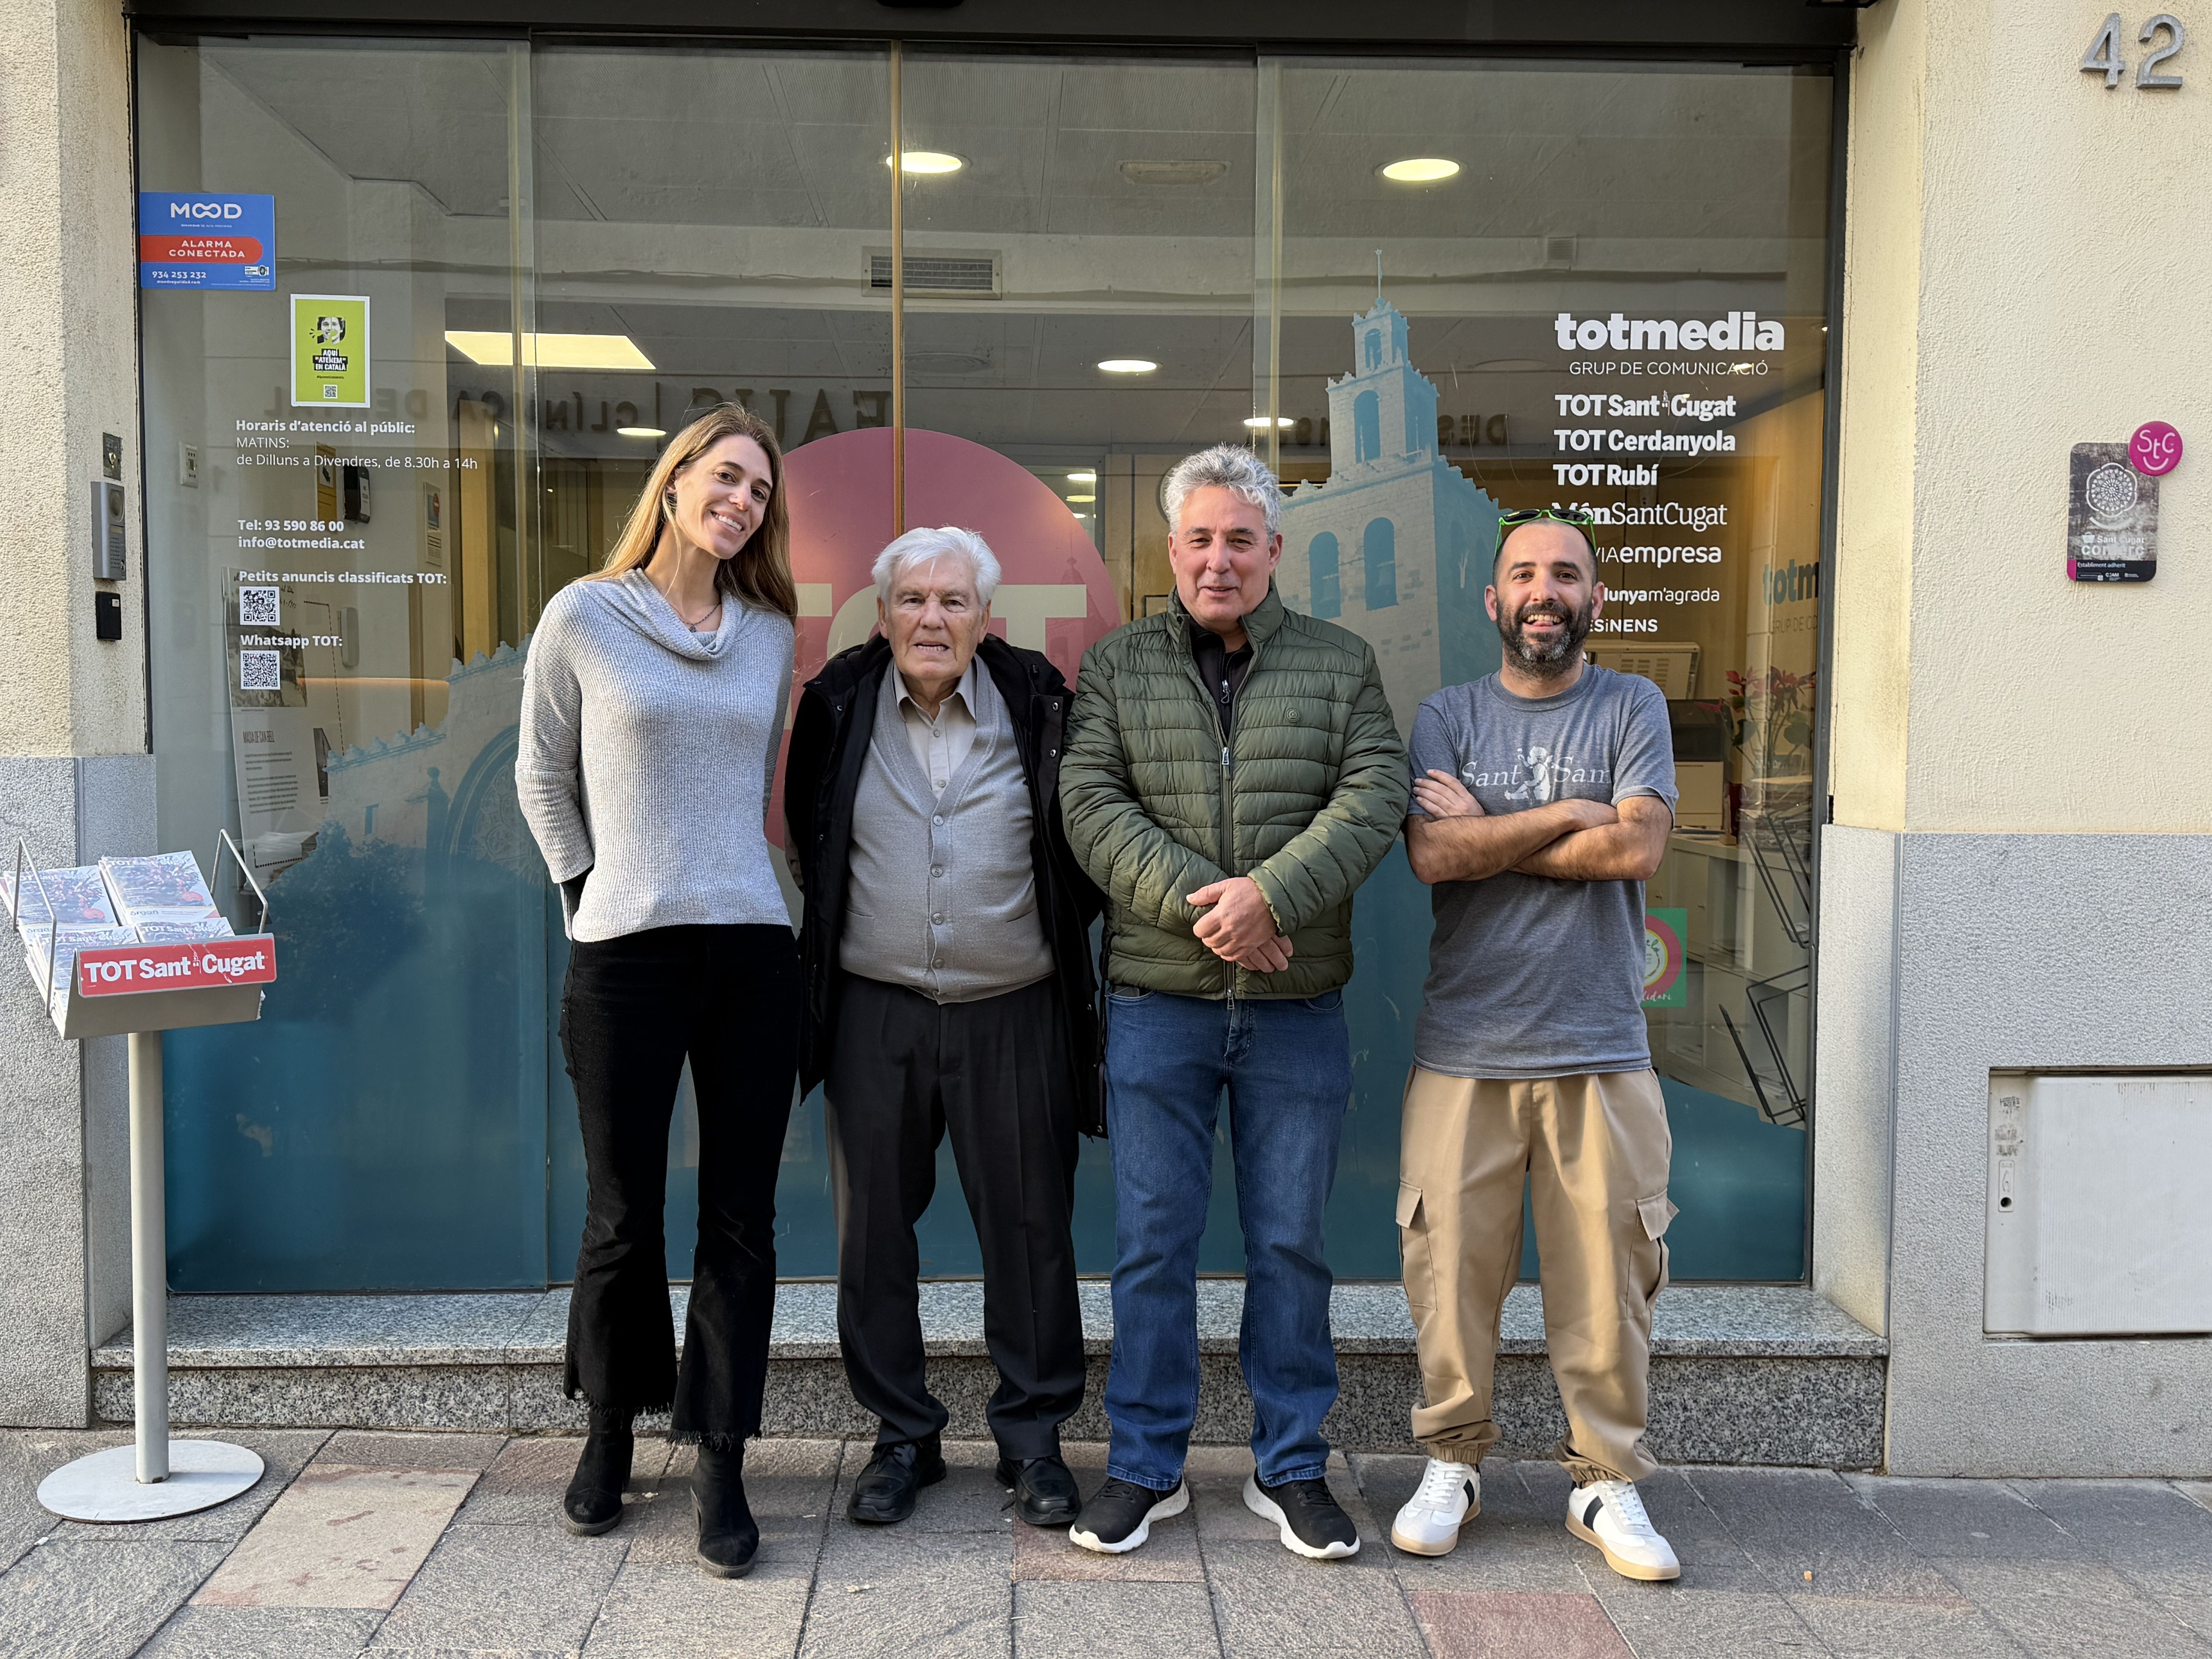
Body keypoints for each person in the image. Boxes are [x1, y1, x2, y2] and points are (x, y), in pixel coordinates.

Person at [1059, 444, 1408, 1560]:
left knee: (1291, 1242)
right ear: (1172, 551)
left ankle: (1290, 1463)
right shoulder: (1116, 666)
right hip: (1158, 1001)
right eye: (1201, 539)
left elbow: (1375, 793)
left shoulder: (1341, 662)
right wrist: (1208, 907)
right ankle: (1145, 1465)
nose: (1220, 559)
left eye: (1241, 539)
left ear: (1274, 551)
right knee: (1153, 1243)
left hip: (1295, 1005)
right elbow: (1090, 803)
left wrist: (1271, 897)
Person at [516, 403, 802, 1580]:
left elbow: (746, 792)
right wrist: (589, 894)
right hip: (624, 955)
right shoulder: (584, 613)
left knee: (739, 1214)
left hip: (749, 949)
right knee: (621, 1207)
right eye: (726, 477)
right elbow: (541, 769)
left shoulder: (772, 632)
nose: (741, 501)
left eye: (759, 492)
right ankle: (609, 1427)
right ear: (675, 479)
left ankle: (721, 1449)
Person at [783, 526, 1102, 1530]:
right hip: (874, 1011)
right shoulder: (837, 703)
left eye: (954, 601)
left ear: (984, 616)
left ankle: (1034, 1438)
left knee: (1029, 1230)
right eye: (913, 599)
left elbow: (1083, 845)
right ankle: (902, 1435)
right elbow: (810, 834)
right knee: (873, 1232)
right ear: (881, 614)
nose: (932, 617)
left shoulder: (1037, 700)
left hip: (1016, 1009)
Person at [1388, 507, 1682, 1581]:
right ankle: (1452, 1462)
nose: (1544, 590)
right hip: (1466, 1043)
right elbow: (1430, 853)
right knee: (1448, 1269)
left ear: (1594, 595)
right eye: (1524, 573)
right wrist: (1573, 810)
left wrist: (1497, 830)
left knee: (1610, 1273)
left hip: (1601, 1045)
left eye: (1565, 572)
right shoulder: (1447, 713)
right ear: (1493, 599)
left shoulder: (1633, 703)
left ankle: (1607, 1481)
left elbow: (1638, 841)